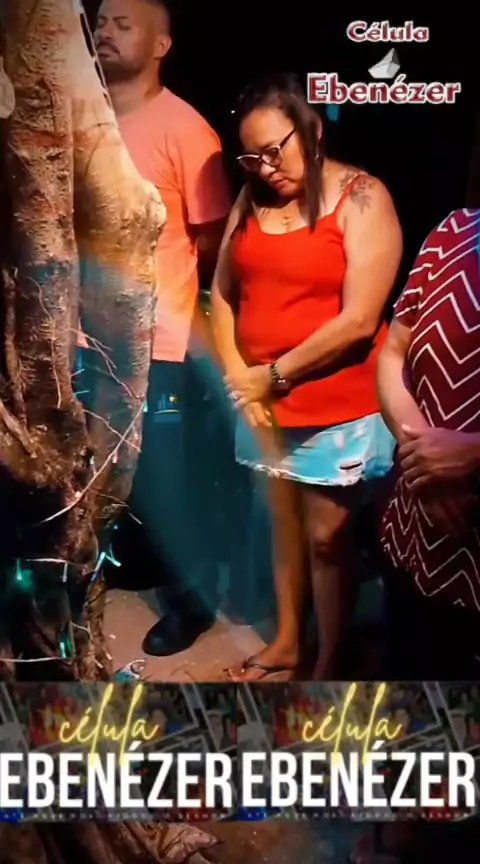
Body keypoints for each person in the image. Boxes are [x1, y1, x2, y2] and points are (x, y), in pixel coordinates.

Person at [210, 72, 402, 681]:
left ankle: (329, 658)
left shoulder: (363, 196)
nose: (265, 168)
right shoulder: (252, 199)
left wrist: (271, 376)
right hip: (260, 399)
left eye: (275, 150)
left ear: (313, 130)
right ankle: (290, 641)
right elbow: (222, 292)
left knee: (327, 538)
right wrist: (240, 378)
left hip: (333, 403)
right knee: (282, 526)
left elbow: (360, 320)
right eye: (251, 157)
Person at [91, 0, 231, 656]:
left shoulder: (187, 129)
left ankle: (192, 600)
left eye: (123, 23)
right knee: (110, 468)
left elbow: (212, 242)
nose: (105, 31)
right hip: (89, 338)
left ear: (161, 44)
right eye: (101, 20)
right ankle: (142, 563)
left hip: (161, 341)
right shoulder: (88, 118)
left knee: (170, 479)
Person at [377, 207, 480, 678]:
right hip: (417, 529)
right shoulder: (454, 230)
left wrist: (471, 453)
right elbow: (393, 354)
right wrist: (425, 464)